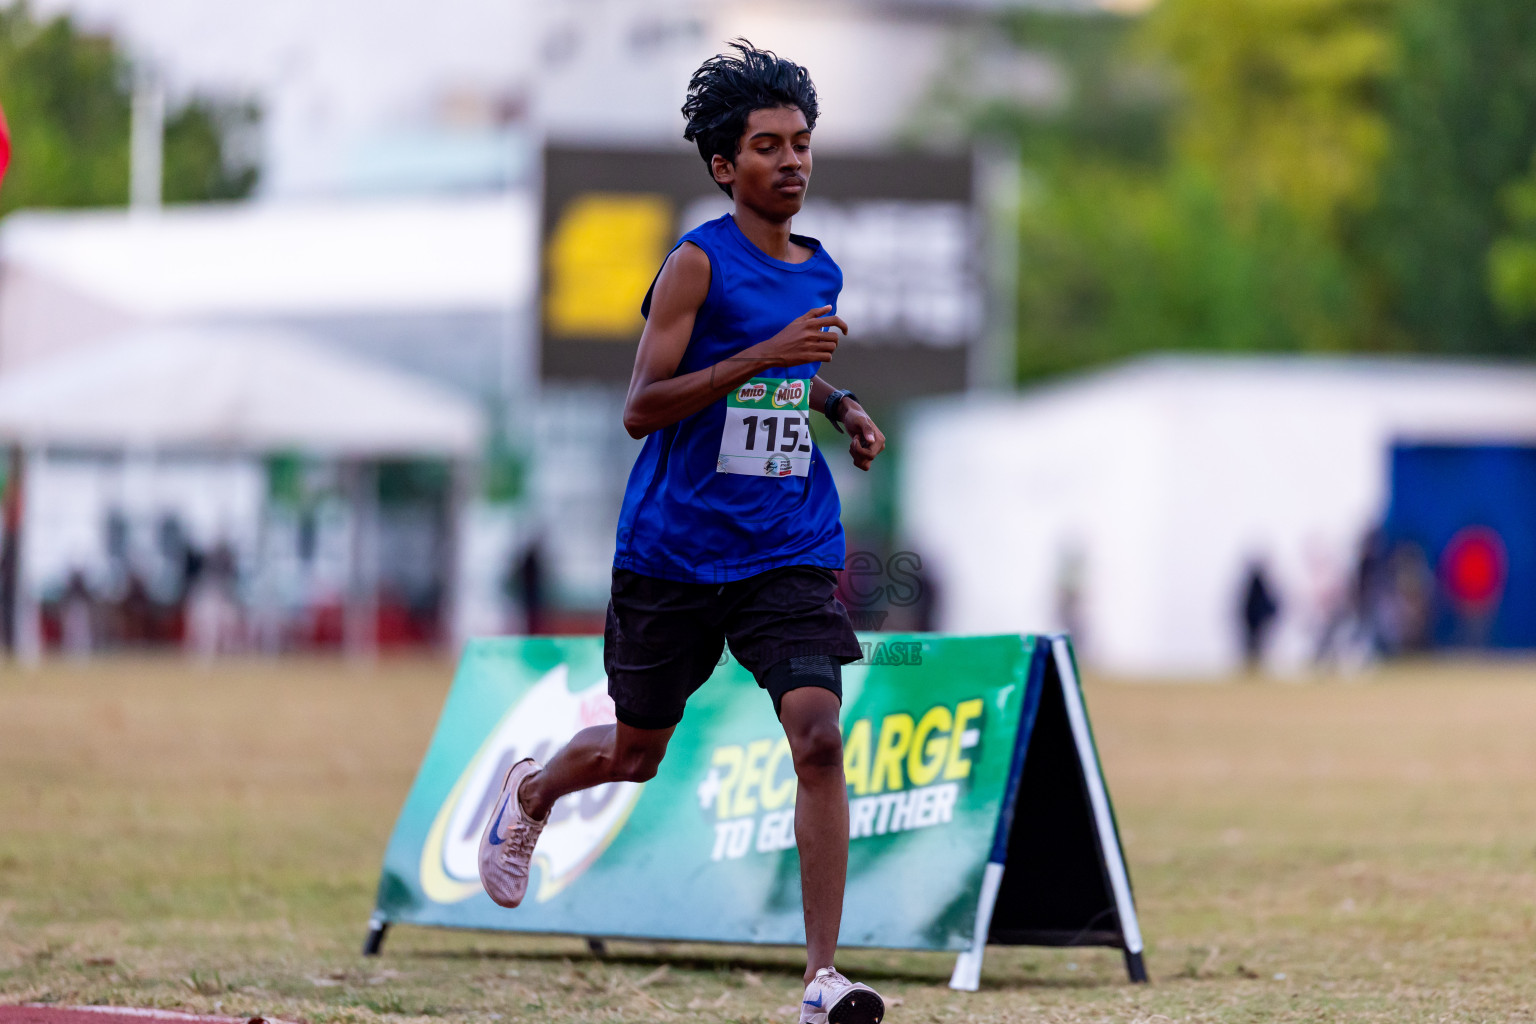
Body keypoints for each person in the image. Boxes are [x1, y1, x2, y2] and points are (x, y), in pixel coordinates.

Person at [478, 41, 887, 1024]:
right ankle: (532, 790)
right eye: (768, 146)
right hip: (673, 550)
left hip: (785, 542)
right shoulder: (696, 262)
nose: (792, 162)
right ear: (723, 165)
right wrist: (767, 355)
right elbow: (642, 405)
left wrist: (837, 403)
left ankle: (822, 978)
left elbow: (788, 373)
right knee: (634, 749)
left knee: (820, 735)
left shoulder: (819, 268)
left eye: (802, 144)